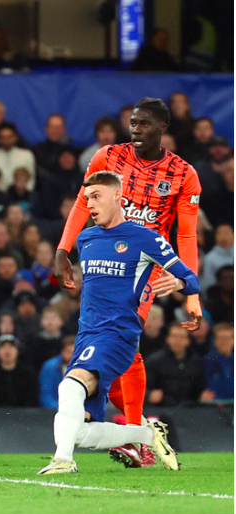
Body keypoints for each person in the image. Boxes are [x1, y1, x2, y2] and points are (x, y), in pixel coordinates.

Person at [54, 97, 203, 468]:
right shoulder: (108, 157)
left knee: (124, 338)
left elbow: (186, 236)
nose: (135, 130)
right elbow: (80, 202)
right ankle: (141, 431)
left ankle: (137, 435)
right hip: (103, 254)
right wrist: (63, 248)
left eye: (144, 124)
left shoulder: (183, 175)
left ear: (162, 129)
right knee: (106, 343)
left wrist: (191, 292)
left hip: (144, 267)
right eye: (132, 123)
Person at [37, 170, 196, 475]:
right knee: (79, 429)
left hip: (118, 334)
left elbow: (191, 278)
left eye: (96, 197)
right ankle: (147, 434)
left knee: (69, 388)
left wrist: (178, 284)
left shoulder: (145, 238)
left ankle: (63, 461)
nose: (90, 204)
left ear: (117, 197)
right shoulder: (86, 238)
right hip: (86, 335)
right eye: (87, 199)